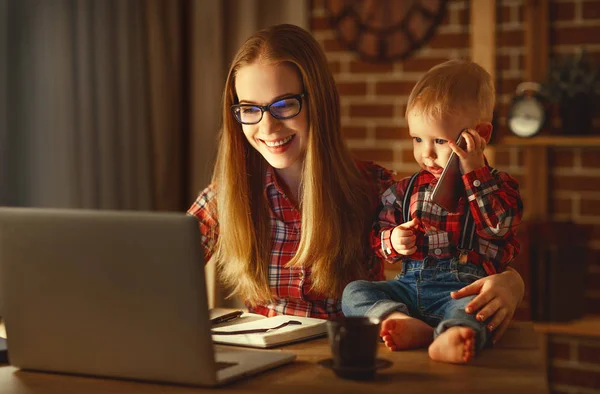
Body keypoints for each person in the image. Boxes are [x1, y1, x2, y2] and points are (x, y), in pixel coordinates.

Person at [187, 24, 524, 336]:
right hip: (267, 366)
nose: (267, 128)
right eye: (249, 109)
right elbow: (158, 268)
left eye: (284, 105)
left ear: (318, 102)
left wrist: (512, 282)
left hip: (351, 356)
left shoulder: (375, 186)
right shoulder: (227, 195)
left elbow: (461, 248)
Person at [341, 59, 524, 364]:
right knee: (354, 292)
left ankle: (453, 334)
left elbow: (499, 228)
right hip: (407, 287)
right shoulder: (404, 189)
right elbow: (379, 238)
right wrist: (394, 240)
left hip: (462, 289)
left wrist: (475, 173)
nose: (425, 152)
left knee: (477, 310)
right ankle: (399, 320)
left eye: (440, 140)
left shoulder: (498, 186)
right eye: (417, 139)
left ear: (480, 134)